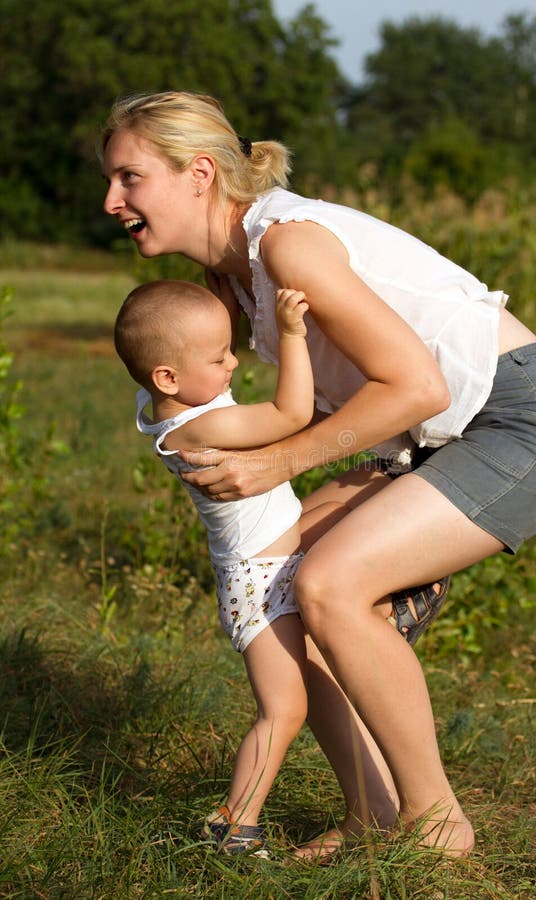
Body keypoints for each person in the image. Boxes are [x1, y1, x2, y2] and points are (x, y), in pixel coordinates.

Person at [101, 91, 536, 860]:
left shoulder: (285, 245)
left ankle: (437, 831)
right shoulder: (226, 284)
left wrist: (274, 462)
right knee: (288, 584)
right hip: (423, 437)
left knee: (333, 586)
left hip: (519, 418)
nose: (111, 200)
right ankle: (373, 813)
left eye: (129, 178)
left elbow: (420, 388)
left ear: (199, 173)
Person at [114, 279, 392, 855]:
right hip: (260, 588)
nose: (233, 362)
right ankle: (233, 825)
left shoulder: (167, 400)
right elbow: (291, 412)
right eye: (219, 358)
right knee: (285, 709)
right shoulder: (199, 428)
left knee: (296, 698)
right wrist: (292, 334)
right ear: (168, 377)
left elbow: (193, 361)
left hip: (271, 571)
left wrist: (222, 316)